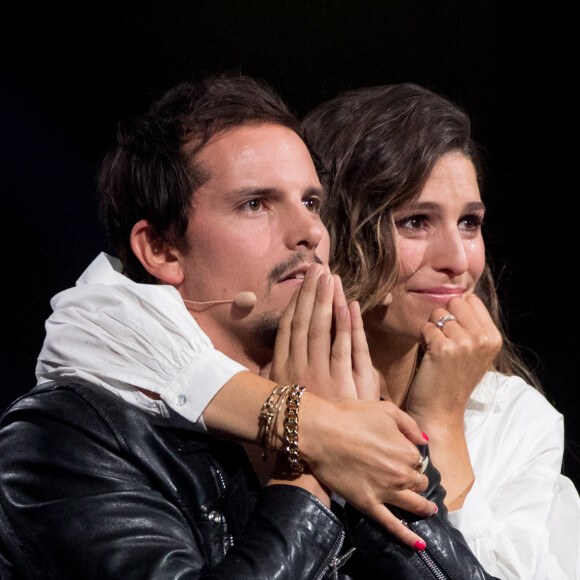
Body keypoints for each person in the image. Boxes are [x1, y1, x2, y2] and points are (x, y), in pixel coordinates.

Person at [0, 74, 497, 578]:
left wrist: (349, 433)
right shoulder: (69, 438)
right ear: (162, 249)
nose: (309, 232)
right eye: (255, 204)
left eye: (310, 202)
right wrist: (308, 477)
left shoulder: (355, 411)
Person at [302, 82, 580, 579]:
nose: (458, 261)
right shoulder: (266, 394)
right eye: (414, 221)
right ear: (334, 230)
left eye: (469, 223)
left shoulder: (513, 418)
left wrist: (441, 425)